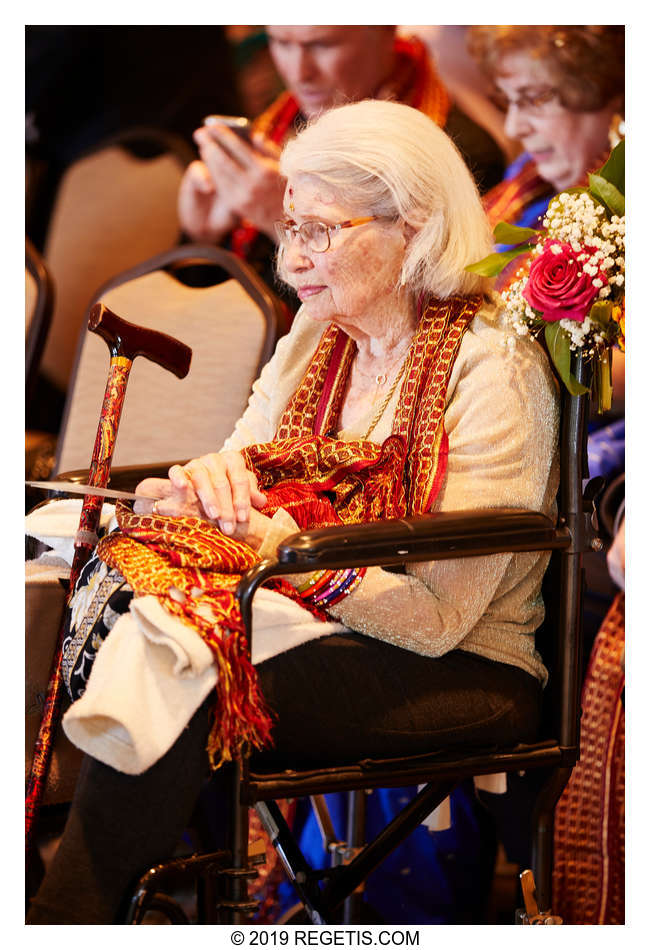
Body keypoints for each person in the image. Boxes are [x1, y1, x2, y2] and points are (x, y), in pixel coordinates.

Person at [26, 99, 558, 925]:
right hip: (306, 617)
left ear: (413, 227)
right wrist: (202, 482)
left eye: (321, 229)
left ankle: (70, 920)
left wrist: (277, 537)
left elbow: (438, 618)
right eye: (289, 228)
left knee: (184, 667)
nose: (293, 258)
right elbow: (238, 459)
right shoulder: (319, 333)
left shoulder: (494, 364)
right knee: (58, 601)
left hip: (462, 665)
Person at [178, 25, 505, 308]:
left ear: (385, 31)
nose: (298, 72)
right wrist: (202, 238)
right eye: (281, 43)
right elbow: (204, 315)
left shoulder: (457, 152)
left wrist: (286, 220)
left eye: (321, 44)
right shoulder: (280, 124)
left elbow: (410, 320)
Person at [467, 25, 624, 232]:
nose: (512, 128)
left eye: (535, 99)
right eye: (507, 100)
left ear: (603, 87)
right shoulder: (526, 179)